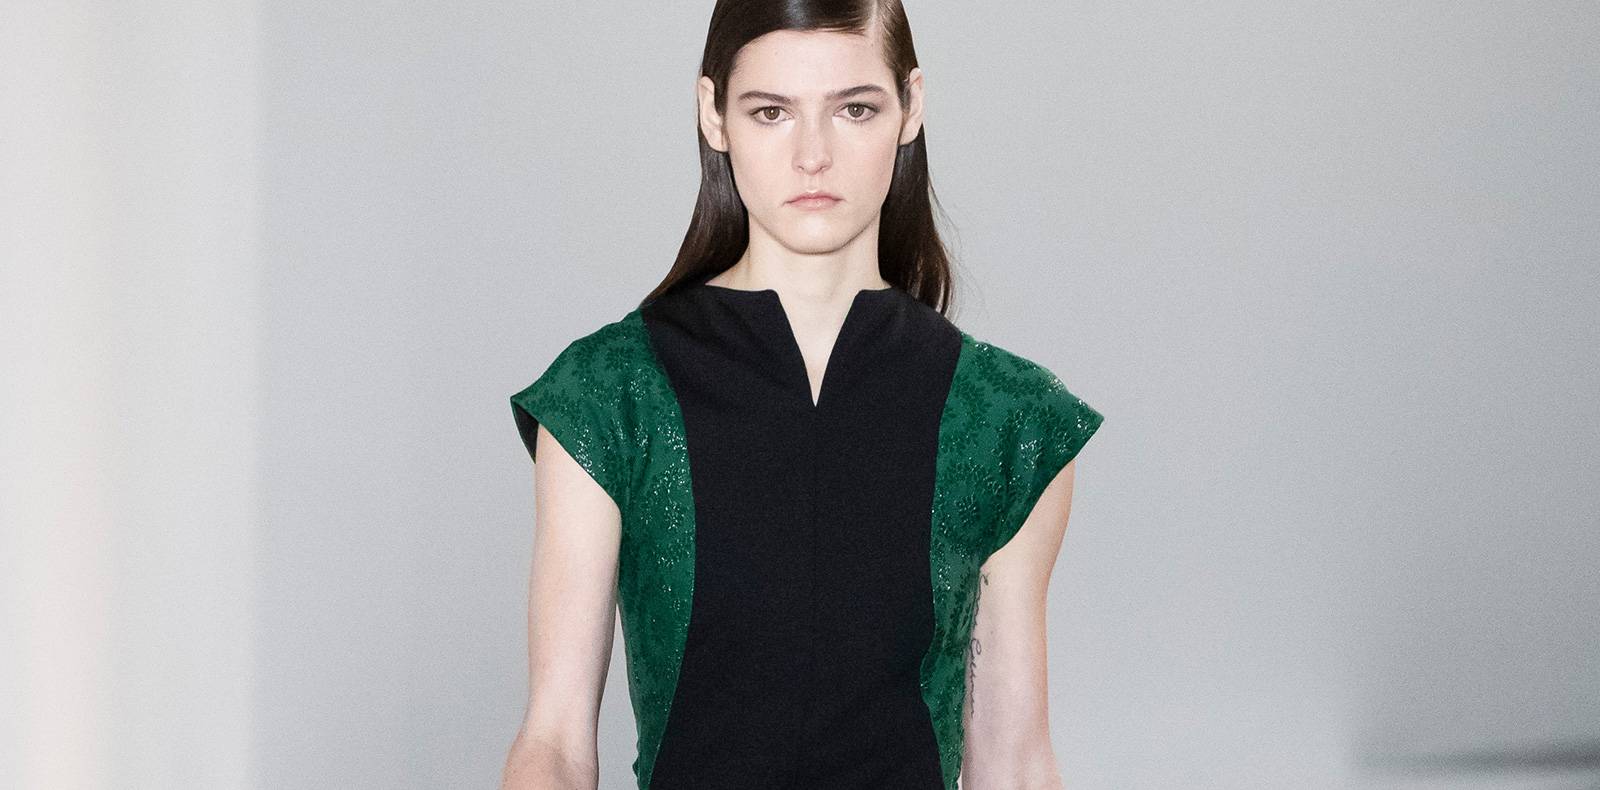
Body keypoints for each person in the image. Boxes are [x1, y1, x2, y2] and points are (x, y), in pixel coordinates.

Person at [500, 2, 1103, 788]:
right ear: (713, 114)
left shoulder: (1008, 419)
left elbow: (1013, 761)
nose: (813, 156)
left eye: (855, 109)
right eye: (771, 112)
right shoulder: (611, 395)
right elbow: (553, 743)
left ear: (911, 106)